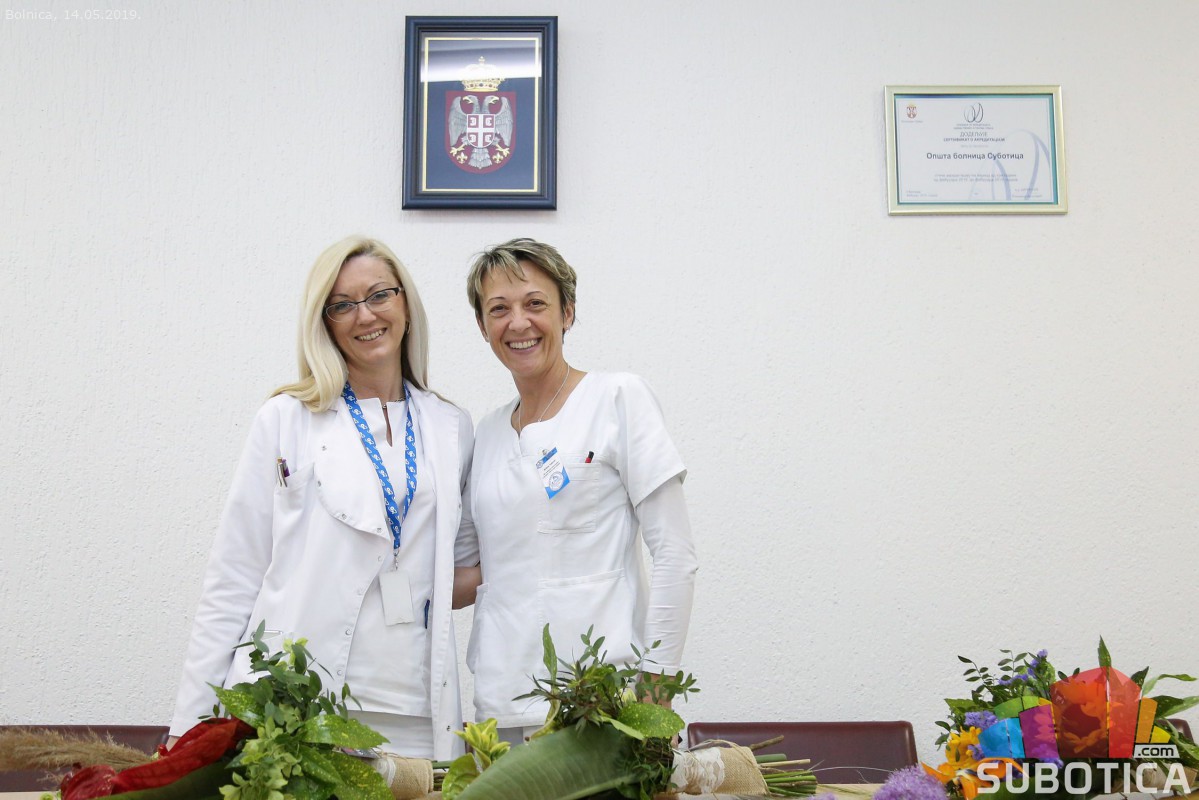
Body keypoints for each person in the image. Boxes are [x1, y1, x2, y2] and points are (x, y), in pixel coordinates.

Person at [170, 236, 478, 760]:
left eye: (379, 295)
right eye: (343, 305)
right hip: (298, 704)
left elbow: (459, 573)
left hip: (415, 709)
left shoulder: (452, 427)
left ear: (405, 304)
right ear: (326, 323)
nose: (366, 315)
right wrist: (188, 730)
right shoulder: (287, 419)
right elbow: (234, 577)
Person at [457, 238, 698, 744]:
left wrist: (655, 689)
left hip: (603, 700)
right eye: (498, 309)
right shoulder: (487, 435)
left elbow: (675, 554)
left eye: (535, 303)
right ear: (482, 326)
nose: (518, 323)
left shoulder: (616, 398)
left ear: (567, 312)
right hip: (501, 704)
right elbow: (472, 574)